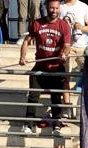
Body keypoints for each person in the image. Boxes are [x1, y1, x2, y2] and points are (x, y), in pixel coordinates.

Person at [19, 0, 71, 134]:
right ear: (47, 8)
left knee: (56, 97)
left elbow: (67, 45)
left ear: (59, 9)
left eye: (56, 8)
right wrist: (22, 57)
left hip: (56, 67)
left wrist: (64, 54)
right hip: (40, 66)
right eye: (52, 8)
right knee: (33, 96)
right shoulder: (37, 23)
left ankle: (57, 125)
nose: (54, 11)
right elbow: (26, 41)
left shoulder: (64, 25)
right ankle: (28, 124)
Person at [60, 0, 88, 115]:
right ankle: (67, 107)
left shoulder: (83, 6)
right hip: (67, 47)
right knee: (65, 77)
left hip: (82, 47)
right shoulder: (59, 7)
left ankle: (86, 105)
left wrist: (81, 27)